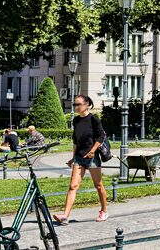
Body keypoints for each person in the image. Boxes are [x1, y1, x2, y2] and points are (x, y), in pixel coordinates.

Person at [54, 94, 107, 225]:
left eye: (78, 104)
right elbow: (75, 140)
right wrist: (72, 158)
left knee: (98, 185)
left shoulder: (94, 119)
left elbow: (101, 136)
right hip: (79, 158)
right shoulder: (76, 121)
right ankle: (65, 216)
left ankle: (103, 211)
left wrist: (92, 151)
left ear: (87, 104)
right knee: (73, 186)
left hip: (92, 158)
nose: (76, 107)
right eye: (75, 105)